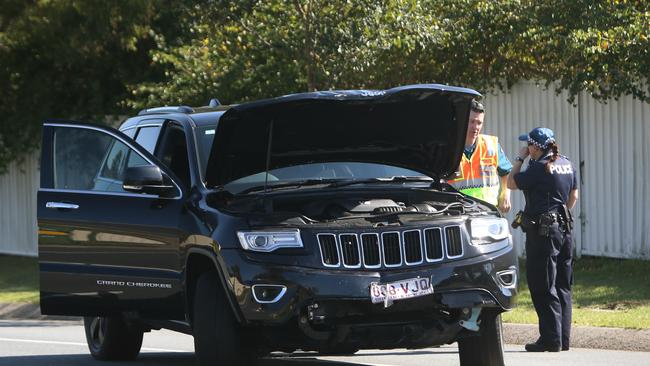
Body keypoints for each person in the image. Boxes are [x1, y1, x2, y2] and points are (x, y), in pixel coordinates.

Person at [507, 127, 579, 352]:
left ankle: (550, 339)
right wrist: (559, 215)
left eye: (528, 145)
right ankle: (562, 339)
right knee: (562, 286)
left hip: (544, 233)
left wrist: (520, 158)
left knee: (543, 284)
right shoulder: (567, 163)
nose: (527, 149)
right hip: (565, 230)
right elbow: (573, 196)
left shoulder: (538, 168)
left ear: (535, 146)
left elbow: (511, 182)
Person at [448, 100, 512, 213]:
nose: (475, 127)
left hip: (488, 212)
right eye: (471, 122)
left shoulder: (491, 145)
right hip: (457, 212)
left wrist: (505, 194)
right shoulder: (448, 148)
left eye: (479, 123)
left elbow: (507, 172)